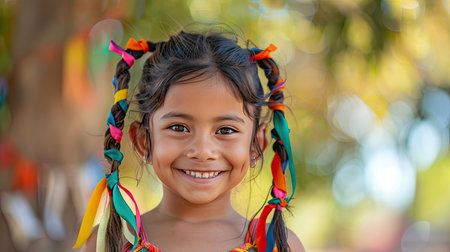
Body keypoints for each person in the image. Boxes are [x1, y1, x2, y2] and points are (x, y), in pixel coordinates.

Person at [73, 29, 304, 252]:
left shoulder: (279, 245)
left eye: (225, 130)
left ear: (257, 145)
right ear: (143, 141)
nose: (203, 151)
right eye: (178, 127)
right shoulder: (108, 244)